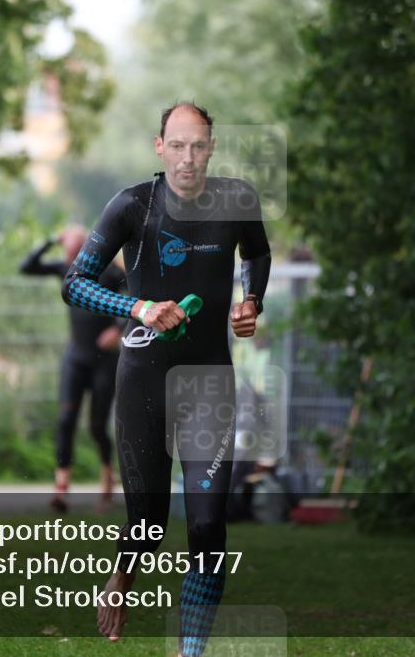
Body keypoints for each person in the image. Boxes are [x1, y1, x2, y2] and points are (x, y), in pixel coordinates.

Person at [62, 102, 271, 657]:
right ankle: (123, 578)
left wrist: (251, 299)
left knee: (205, 526)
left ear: (212, 147)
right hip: (143, 382)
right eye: (176, 145)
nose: (187, 157)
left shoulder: (237, 200)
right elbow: (75, 282)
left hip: (208, 381)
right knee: (149, 525)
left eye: (198, 145)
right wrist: (140, 308)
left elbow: (258, 253)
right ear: (160, 147)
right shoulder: (133, 205)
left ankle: (190, 651)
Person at [20, 225, 125, 513]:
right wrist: (52, 239)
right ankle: (61, 490)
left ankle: (107, 477)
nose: (70, 259)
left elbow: (134, 292)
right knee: (66, 420)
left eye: (75, 252)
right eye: (67, 253)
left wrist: (117, 328)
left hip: (105, 361)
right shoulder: (65, 269)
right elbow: (27, 267)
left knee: (96, 426)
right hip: (75, 358)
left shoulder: (108, 271)